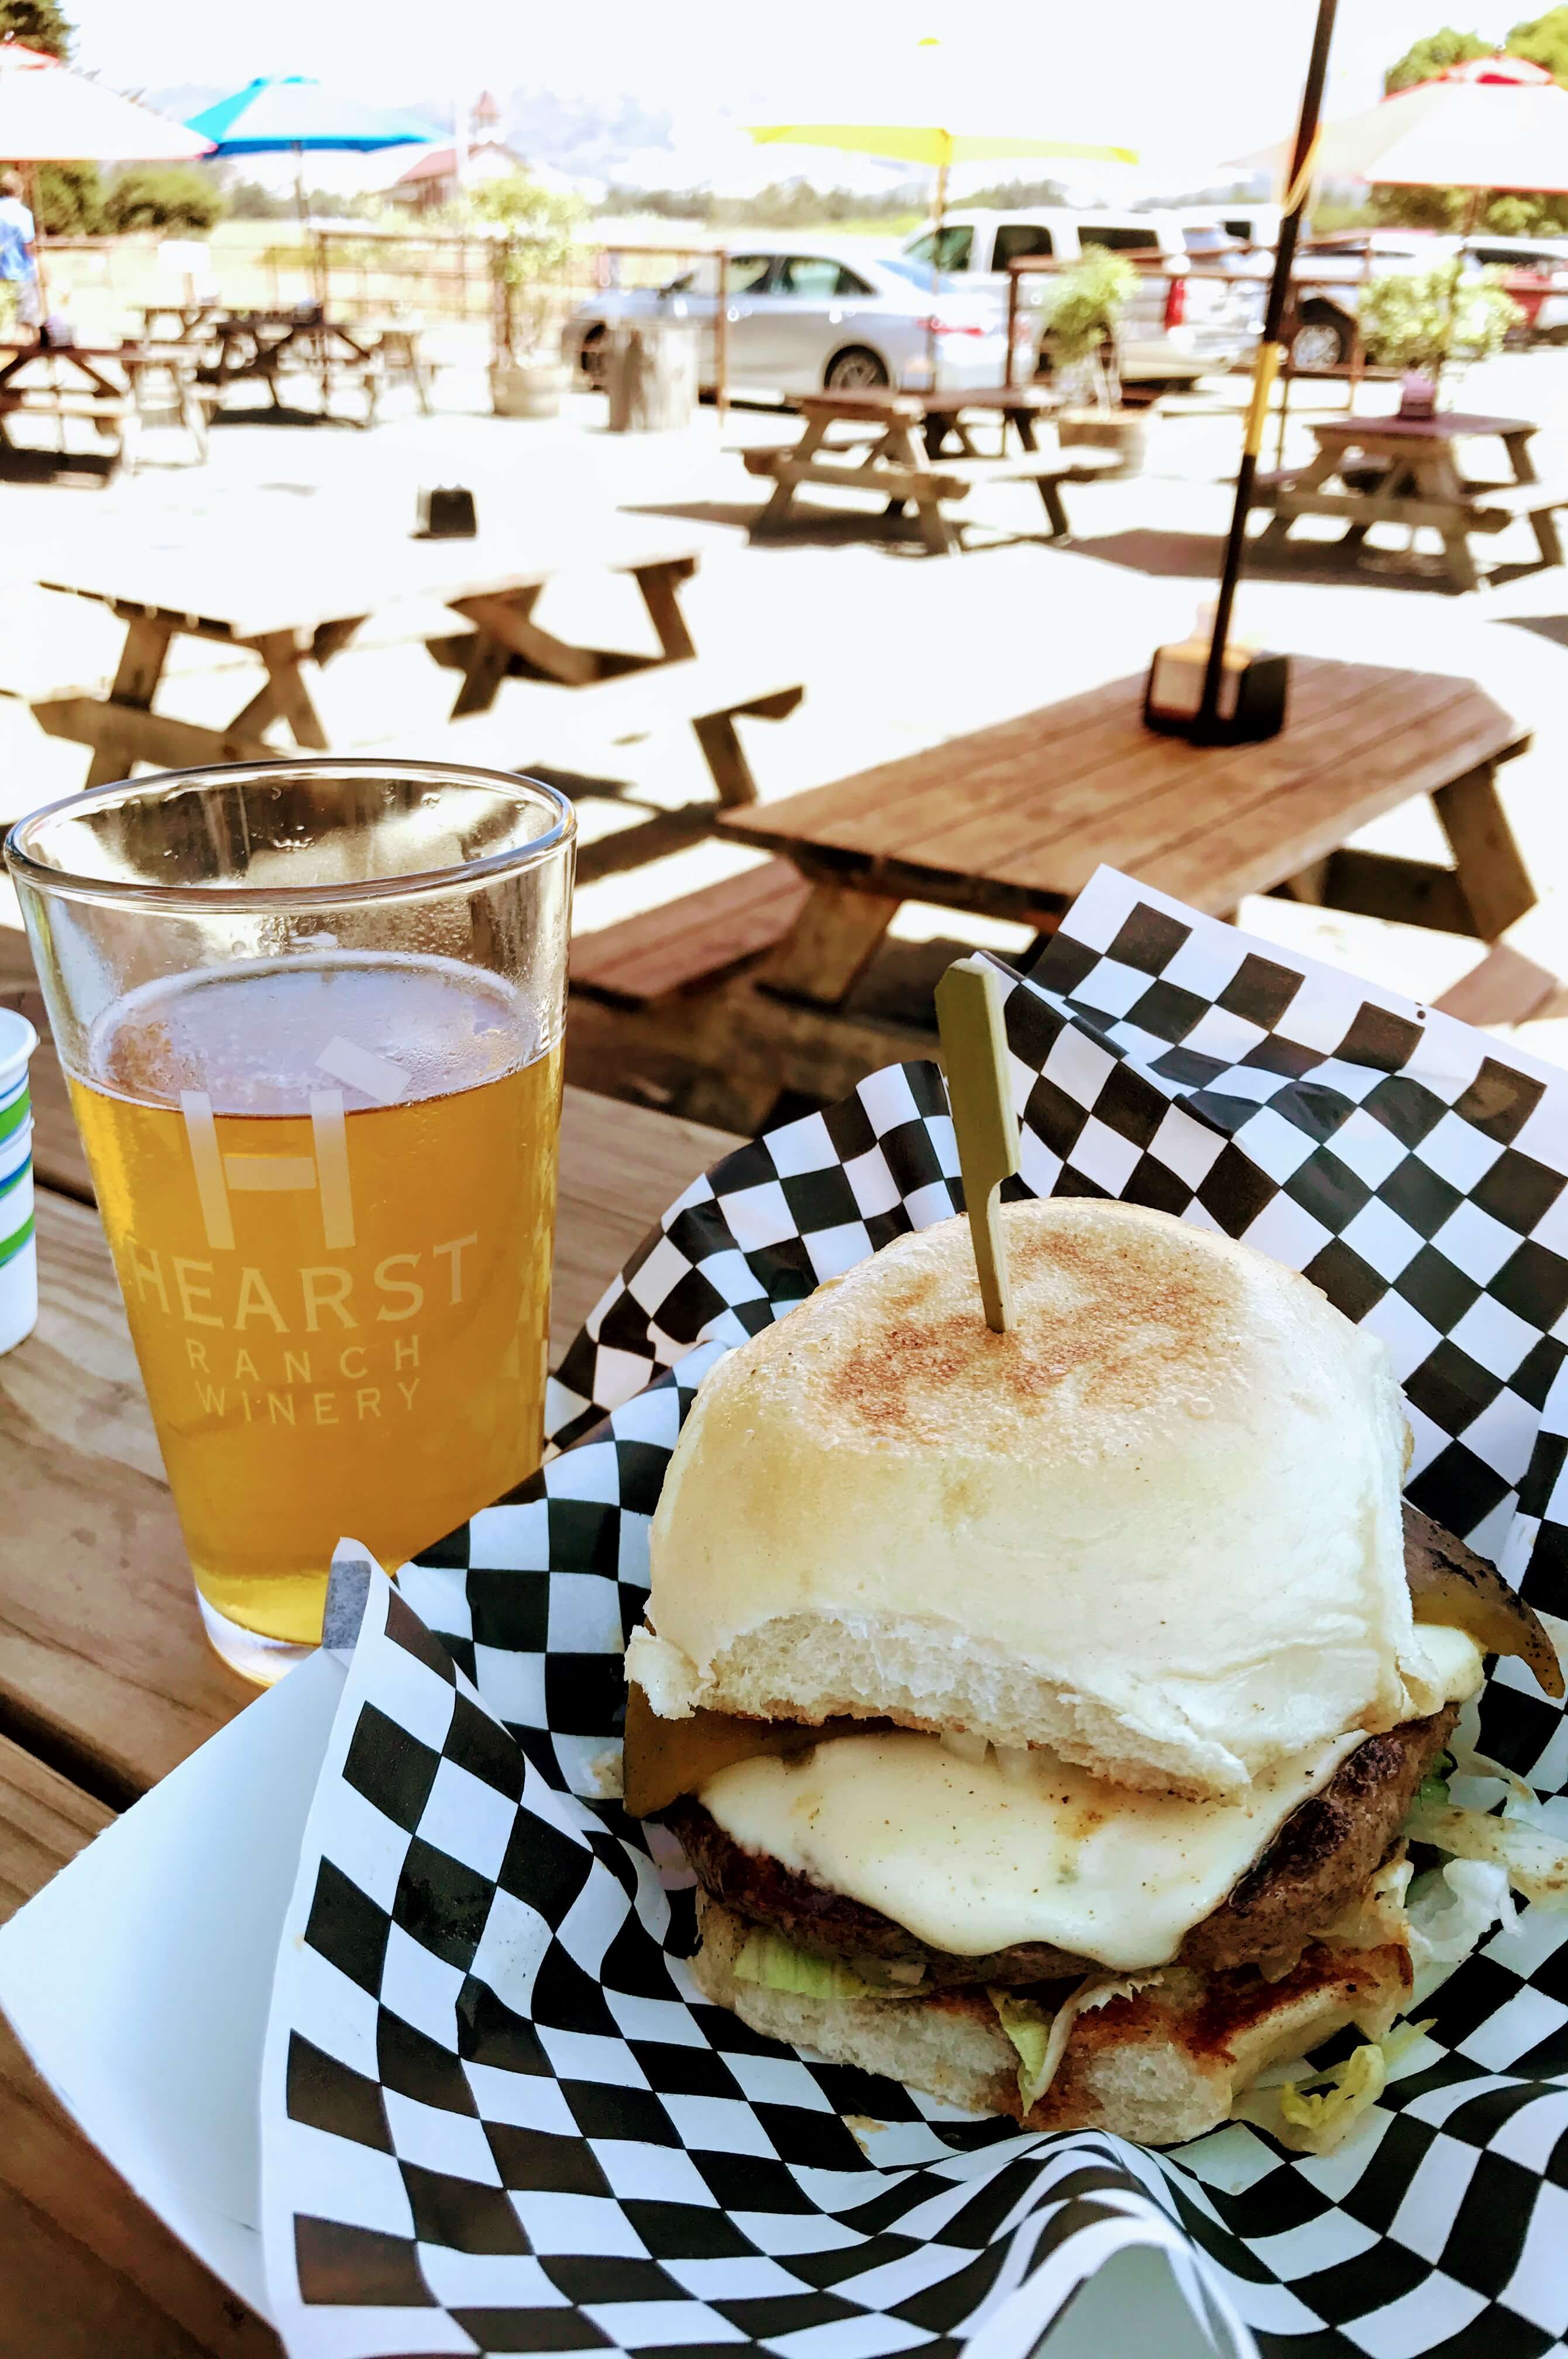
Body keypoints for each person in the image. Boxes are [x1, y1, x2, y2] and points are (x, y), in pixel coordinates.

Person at [0, 170, 42, 335]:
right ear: (20, 190)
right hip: (21, 274)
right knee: (24, 325)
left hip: (2, 275)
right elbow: (29, 245)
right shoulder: (23, 214)